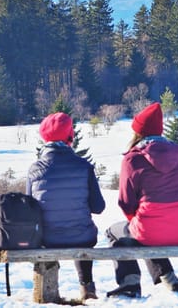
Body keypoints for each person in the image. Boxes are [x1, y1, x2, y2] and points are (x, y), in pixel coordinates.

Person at [105, 102, 178, 298]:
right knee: (147, 230)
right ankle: (169, 279)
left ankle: (130, 283)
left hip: (150, 226)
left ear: (139, 132)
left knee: (116, 232)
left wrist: (137, 218)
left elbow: (125, 201)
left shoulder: (133, 159)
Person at [26, 112, 106, 301]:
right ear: (70, 136)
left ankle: (47, 289)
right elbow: (98, 207)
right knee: (83, 234)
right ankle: (87, 286)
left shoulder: (35, 169)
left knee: (48, 234)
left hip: (48, 238)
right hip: (82, 236)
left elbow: (31, 210)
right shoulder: (84, 166)